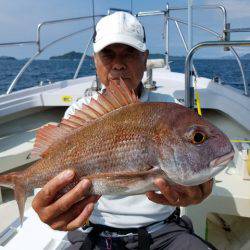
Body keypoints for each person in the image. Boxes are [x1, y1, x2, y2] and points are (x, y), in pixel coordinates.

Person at [32, 12, 215, 250]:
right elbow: (55, 175)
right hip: (92, 234)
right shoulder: (79, 112)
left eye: (129, 53)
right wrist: (53, 206)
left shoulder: (170, 112)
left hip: (164, 232)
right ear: (95, 59)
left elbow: (200, 165)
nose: (118, 63)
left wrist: (205, 188)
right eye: (108, 53)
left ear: (145, 58)